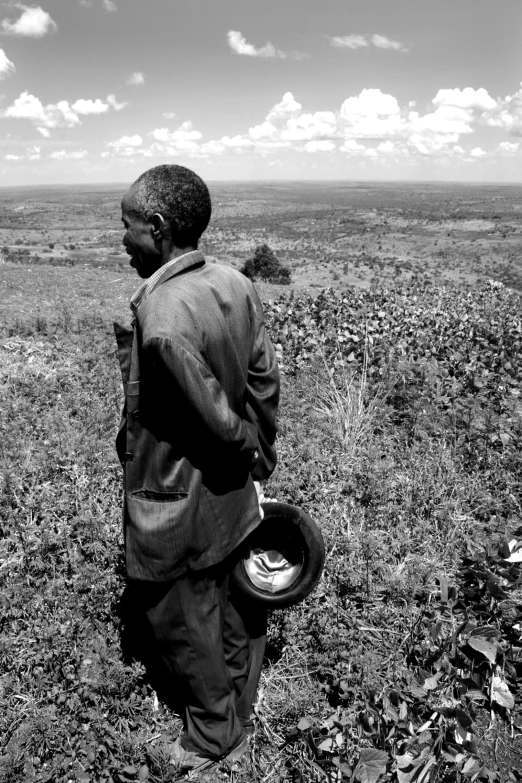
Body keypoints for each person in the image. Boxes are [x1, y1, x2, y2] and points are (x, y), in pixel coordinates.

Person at [113, 164, 280, 772]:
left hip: (177, 497)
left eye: (127, 227)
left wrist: (241, 445)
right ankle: (241, 695)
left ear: (157, 228)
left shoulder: (161, 317)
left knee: (180, 615)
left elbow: (210, 414)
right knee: (234, 599)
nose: (122, 239)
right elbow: (262, 377)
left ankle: (213, 734)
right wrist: (259, 454)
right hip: (231, 490)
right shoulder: (234, 282)